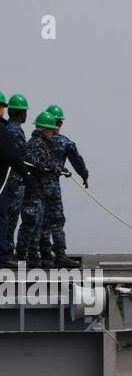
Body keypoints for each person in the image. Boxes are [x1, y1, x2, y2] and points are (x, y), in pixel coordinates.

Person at [42, 105, 87, 265]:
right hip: (52, 187)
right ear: (59, 123)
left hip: (35, 187)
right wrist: (85, 175)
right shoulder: (65, 142)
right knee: (57, 219)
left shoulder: (36, 141)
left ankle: (44, 253)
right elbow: (77, 161)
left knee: (42, 219)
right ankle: (59, 253)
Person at [17, 110, 60, 265]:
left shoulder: (40, 144)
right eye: (51, 130)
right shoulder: (37, 144)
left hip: (38, 191)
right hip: (32, 191)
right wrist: (50, 167)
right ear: (46, 130)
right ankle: (23, 255)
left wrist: (55, 167)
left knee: (38, 223)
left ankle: (33, 255)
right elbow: (36, 163)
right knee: (31, 222)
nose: (53, 133)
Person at [0, 94, 31, 267]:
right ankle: (4, 254)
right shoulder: (9, 130)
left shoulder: (8, 128)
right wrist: (28, 174)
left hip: (10, 179)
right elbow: (17, 156)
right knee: (6, 217)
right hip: (10, 180)